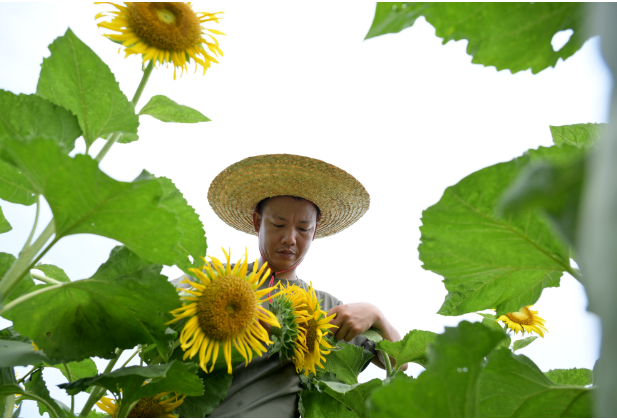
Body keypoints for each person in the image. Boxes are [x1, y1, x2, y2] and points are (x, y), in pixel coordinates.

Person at [175, 154, 405, 417]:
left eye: (304, 228)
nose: (290, 238)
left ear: (315, 232)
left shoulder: (326, 307)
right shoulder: (217, 281)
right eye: (278, 224)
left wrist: (375, 314)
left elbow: (400, 362)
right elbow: (163, 304)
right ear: (257, 223)